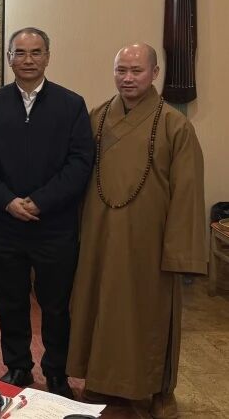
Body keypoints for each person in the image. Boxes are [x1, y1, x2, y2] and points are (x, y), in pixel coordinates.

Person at [67, 43, 206, 419]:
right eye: (121, 70)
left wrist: (179, 252)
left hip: (149, 241)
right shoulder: (97, 117)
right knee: (99, 308)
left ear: (154, 73)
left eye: (136, 71)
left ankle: (155, 390)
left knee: (149, 316)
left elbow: (188, 192)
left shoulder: (175, 126)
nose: (127, 78)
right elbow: (77, 176)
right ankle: (100, 382)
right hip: (99, 236)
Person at [0, 28, 94, 398]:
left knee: (56, 304)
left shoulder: (71, 104)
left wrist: (41, 201)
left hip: (53, 223)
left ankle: (56, 372)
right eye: (20, 53)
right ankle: (18, 366)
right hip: (3, 221)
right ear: (9, 58)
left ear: (47, 57)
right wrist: (8, 201)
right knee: (9, 300)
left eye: (36, 52)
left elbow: (80, 162)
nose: (28, 60)